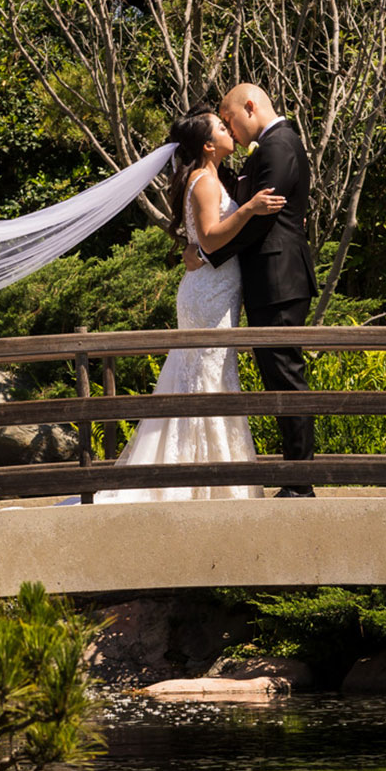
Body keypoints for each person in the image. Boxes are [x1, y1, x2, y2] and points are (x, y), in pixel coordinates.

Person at [93, 109, 283, 503]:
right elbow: (211, 241)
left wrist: (193, 246)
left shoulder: (211, 177)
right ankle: (204, 481)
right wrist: (249, 209)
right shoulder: (205, 181)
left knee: (209, 376)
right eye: (220, 126)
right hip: (208, 293)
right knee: (207, 379)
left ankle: (206, 475)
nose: (229, 129)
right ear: (208, 145)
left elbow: (201, 241)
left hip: (214, 287)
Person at [205, 82, 320, 498]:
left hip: (279, 281)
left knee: (287, 379)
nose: (231, 130)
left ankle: (299, 482)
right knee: (279, 379)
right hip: (272, 279)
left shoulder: (278, 145)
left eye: (231, 119)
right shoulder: (272, 146)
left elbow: (261, 221)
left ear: (250, 108)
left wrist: (208, 251)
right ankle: (296, 476)